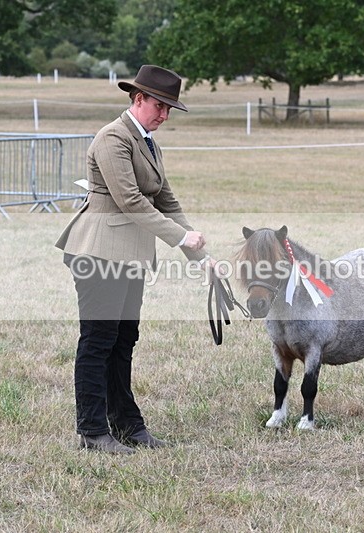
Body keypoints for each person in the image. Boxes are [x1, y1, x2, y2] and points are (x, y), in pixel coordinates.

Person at [56, 65, 213, 454]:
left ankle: (127, 425)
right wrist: (180, 237)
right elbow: (129, 200)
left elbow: (166, 200)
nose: (163, 114)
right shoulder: (113, 138)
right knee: (98, 341)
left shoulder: (147, 142)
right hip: (99, 253)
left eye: (169, 108)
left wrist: (200, 256)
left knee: (123, 340)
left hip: (130, 255)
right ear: (138, 98)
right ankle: (92, 430)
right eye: (158, 105)